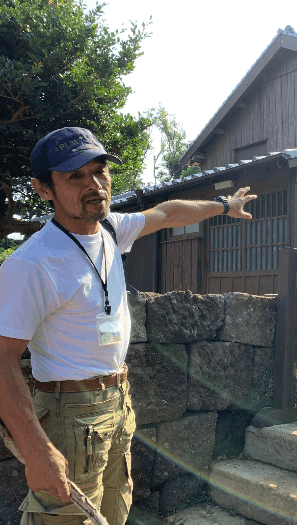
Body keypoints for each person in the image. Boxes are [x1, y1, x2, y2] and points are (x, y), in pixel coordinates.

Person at [0, 127, 257, 525]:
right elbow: (3, 360)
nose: (94, 185)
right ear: (43, 189)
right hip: (69, 414)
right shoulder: (30, 265)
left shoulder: (110, 230)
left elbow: (167, 213)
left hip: (118, 403)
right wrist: (36, 451)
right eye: (74, 177)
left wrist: (223, 206)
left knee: (115, 512)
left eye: (100, 171)